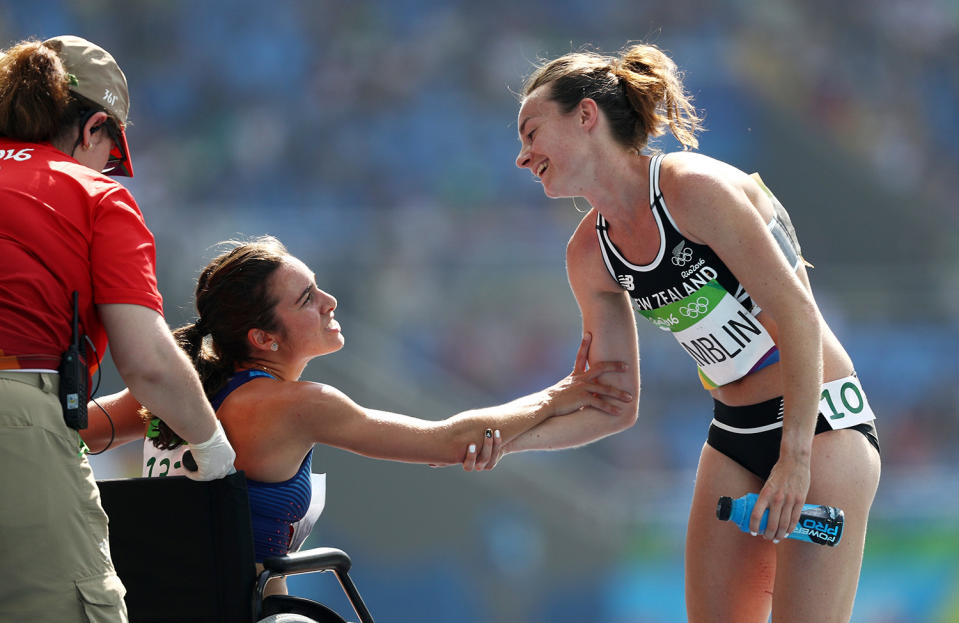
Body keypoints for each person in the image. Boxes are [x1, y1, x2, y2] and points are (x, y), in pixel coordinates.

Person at [481, 43, 882, 622]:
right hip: (735, 433)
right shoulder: (588, 257)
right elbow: (614, 405)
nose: (522, 157)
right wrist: (509, 442)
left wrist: (795, 458)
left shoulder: (693, 188)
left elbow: (796, 314)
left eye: (532, 132)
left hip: (819, 423)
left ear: (586, 116)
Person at [119, 235, 632, 595]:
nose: (330, 300)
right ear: (264, 338)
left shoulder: (181, 386)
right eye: (306, 298)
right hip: (235, 609)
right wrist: (559, 395)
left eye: (317, 286)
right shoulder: (300, 405)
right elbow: (449, 443)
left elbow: (81, 434)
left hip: (152, 601)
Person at [0, 35, 235, 621]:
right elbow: (147, 362)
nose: (110, 168)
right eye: (111, 151)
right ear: (93, 128)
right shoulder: (93, 195)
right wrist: (212, 447)